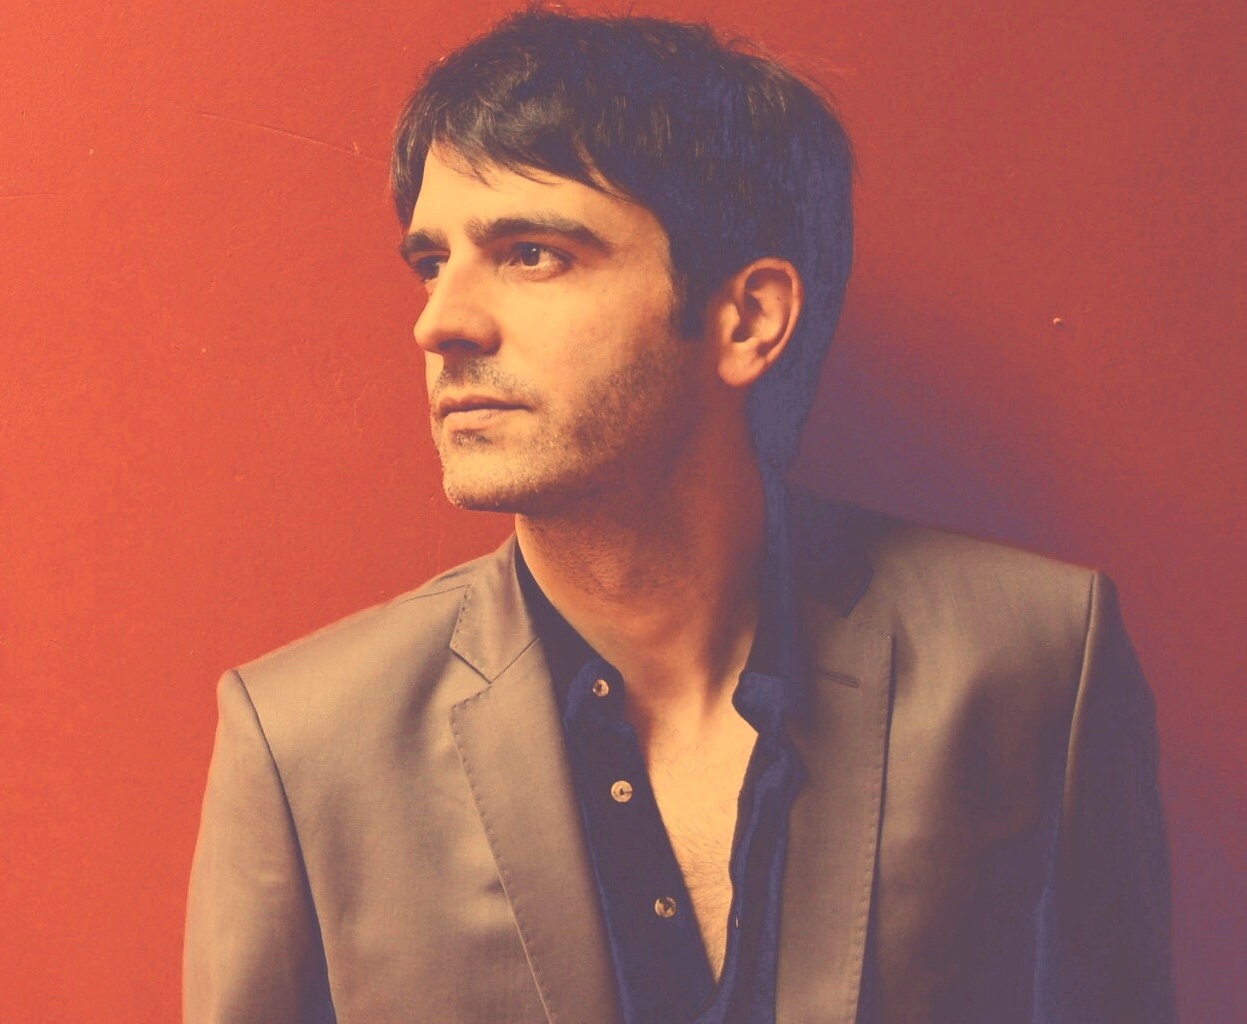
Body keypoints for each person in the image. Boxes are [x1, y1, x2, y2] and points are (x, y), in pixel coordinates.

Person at [179, 7, 1175, 1023]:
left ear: (747, 319)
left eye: (532, 253)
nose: (440, 321)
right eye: (432, 262)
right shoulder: (307, 746)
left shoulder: (1034, 660)